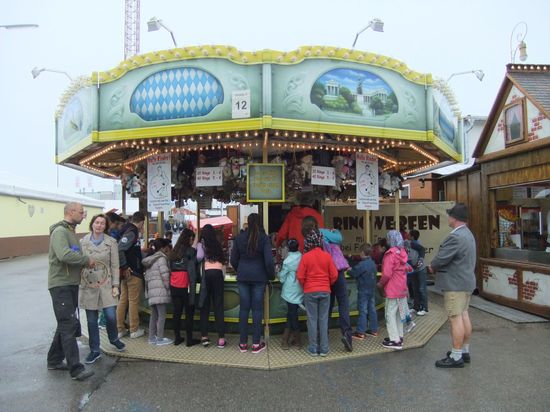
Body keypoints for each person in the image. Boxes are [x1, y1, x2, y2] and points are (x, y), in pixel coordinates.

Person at [47, 202, 95, 381]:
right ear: (70, 212)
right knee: (68, 324)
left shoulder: (70, 231)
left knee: (65, 323)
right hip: (61, 285)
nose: (84, 215)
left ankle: (54, 360)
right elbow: (64, 255)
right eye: (81, 212)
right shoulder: (60, 232)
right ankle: (76, 369)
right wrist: (85, 260)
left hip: (70, 284)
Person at [429, 203, 476, 368]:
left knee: (455, 318)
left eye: (449, 215)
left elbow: (442, 258)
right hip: (467, 282)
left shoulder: (455, 237)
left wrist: (432, 266)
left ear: (454, 218)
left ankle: (456, 357)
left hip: (455, 284)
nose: (447, 217)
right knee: (464, 315)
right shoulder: (468, 234)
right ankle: (464, 351)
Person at [79, 214, 126, 364]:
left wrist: (116, 285)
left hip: (107, 284)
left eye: (102, 223)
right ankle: (94, 350)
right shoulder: (83, 242)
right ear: (92, 224)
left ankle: (113, 339)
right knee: (91, 319)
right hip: (89, 284)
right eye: (96, 222)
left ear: (105, 226)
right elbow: (78, 262)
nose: (99, 225)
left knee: (111, 315)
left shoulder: (111, 242)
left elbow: (114, 265)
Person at [231, 213, 275, 354]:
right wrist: (271, 276)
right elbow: (269, 261)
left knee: (244, 310)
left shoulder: (239, 237)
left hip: (243, 276)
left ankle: (243, 343)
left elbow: (233, 259)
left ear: (248, 223)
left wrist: (241, 269)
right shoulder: (263, 238)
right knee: (257, 310)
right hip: (259, 277)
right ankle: (256, 344)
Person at [297, 228, 338, 357]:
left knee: (312, 320)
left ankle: (313, 349)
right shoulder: (327, 256)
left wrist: (306, 285)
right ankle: (324, 349)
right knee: (323, 319)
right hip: (325, 290)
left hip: (310, 291)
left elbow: (300, 276)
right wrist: (327, 284)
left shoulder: (305, 257)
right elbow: (334, 274)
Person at [320, 223, 353, 352]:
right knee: (343, 304)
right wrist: (335, 231)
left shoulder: (316, 241)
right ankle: (347, 335)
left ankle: (324, 337)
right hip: (338, 272)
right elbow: (339, 238)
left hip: (326, 273)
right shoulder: (326, 233)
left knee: (327, 306)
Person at [377, 230, 409, 350]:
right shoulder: (402, 252)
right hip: (402, 287)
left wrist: (380, 284)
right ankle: (399, 336)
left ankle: (394, 340)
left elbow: (386, 274)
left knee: (389, 314)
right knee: (398, 314)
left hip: (392, 288)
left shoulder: (390, 254)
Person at [116, 211, 146, 339]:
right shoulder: (132, 231)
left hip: (126, 272)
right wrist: (125, 266)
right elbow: (120, 248)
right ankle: (134, 329)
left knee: (123, 300)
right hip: (133, 271)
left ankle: (121, 328)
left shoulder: (126, 229)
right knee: (133, 301)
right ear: (141, 222)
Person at [197, 224, 226, 348]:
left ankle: (204, 337)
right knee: (218, 306)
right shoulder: (217, 244)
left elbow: (198, 257)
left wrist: (198, 244)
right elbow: (223, 262)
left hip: (207, 274)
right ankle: (221, 339)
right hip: (218, 274)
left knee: (205, 306)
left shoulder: (202, 244)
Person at [170, 228, 200, 346]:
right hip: (185, 286)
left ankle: (177, 338)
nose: (193, 241)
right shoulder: (189, 251)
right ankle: (189, 340)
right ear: (188, 239)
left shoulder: (174, 251)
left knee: (176, 312)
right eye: (191, 239)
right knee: (189, 313)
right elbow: (195, 245)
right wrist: (198, 233)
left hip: (174, 285)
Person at [143, 238, 173, 346]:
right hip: (160, 290)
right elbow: (165, 276)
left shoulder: (150, 259)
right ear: (163, 248)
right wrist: (168, 288)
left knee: (154, 315)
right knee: (161, 315)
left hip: (152, 291)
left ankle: (151, 338)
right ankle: (159, 338)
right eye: (166, 247)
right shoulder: (161, 259)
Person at [277, 238, 303, 350]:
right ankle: (290, 339)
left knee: (292, 314)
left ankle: (294, 340)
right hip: (300, 289)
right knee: (292, 313)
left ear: (288, 248)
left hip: (290, 290)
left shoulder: (287, 261)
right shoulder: (302, 257)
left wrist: (279, 274)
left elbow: (282, 278)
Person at [349, 243, 379, 339]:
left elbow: (353, 273)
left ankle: (360, 332)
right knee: (372, 309)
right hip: (372, 289)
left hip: (363, 290)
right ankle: (374, 330)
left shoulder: (361, 265)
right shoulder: (373, 263)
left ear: (362, 253)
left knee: (363, 310)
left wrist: (349, 270)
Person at [409, 229, 428, 315]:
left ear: (412, 237)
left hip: (420, 269)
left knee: (421, 288)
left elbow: (422, 250)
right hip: (413, 269)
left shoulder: (413, 243)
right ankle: (416, 307)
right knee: (415, 288)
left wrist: (420, 260)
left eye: (409, 235)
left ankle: (424, 308)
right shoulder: (409, 244)